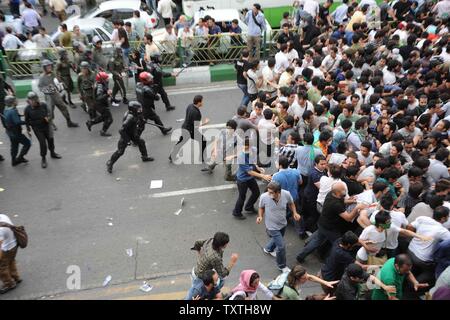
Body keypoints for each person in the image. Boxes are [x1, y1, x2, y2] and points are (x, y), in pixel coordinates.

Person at [296, 182, 368, 263]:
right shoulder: (336, 204)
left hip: (323, 223)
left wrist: (349, 201)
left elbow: (342, 201)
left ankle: (300, 256)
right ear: (337, 193)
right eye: (343, 190)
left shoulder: (331, 194)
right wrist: (357, 208)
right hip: (330, 228)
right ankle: (330, 262)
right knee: (339, 244)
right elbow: (348, 218)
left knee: (317, 241)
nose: (345, 191)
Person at [257, 181, 301, 272]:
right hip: (271, 226)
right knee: (281, 246)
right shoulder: (264, 197)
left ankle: (268, 249)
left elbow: (291, 203)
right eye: (268, 192)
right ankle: (281, 266)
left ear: (278, 192)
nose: (269, 194)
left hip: (282, 223)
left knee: (278, 238)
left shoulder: (286, 194)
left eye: (271, 193)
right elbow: (261, 207)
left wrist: (295, 213)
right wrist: (260, 216)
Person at [106, 101, 154, 173]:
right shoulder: (129, 118)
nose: (140, 110)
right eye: (138, 109)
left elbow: (139, 117)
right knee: (120, 152)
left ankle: (144, 157)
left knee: (141, 142)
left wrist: (142, 120)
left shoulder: (135, 113)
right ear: (133, 109)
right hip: (126, 135)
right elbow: (121, 130)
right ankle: (110, 163)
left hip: (132, 133)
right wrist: (127, 140)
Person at [233, 137, 271, 219]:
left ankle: (249, 207)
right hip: (242, 179)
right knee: (242, 197)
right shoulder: (241, 156)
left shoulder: (253, 149)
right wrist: (263, 176)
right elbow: (249, 171)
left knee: (256, 192)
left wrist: (258, 168)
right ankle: (236, 212)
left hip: (249, 178)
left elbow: (253, 160)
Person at [24, 91, 62, 169]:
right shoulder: (27, 109)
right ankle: (43, 158)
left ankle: (52, 153)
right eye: (30, 100)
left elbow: (50, 114)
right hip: (37, 129)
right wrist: (28, 129)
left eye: (34, 100)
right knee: (42, 143)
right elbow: (26, 120)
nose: (32, 102)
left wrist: (48, 118)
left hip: (46, 126)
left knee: (51, 140)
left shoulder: (43, 105)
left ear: (37, 99)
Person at [37, 60, 79, 129]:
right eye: (47, 66)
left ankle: (69, 122)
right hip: (49, 96)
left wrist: (62, 85)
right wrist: (47, 89)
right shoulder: (42, 77)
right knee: (50, 111)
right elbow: (40, 87)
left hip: (56, 94)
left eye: (50, 66)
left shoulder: (54, 74)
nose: (49, 67)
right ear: (44, 68)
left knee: (64, 108)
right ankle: (51, 124)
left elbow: (59, 81)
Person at [169, 95, 208, 164]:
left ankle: (172, 156)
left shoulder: (190, 106)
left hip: (184, 127)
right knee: (203, 140)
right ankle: (201, 158)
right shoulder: (197, 113)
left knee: (181, 142)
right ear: (199, 102)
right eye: (202, 101)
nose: (203, 102)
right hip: (190, 131)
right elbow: (196, 126)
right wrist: (205, 123)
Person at [135, 71, 172, 136]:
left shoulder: (138, 85)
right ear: (144, 80)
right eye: (148, 78)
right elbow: (157, 98)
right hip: (145, 108)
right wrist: (155, 89)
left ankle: (163, 130)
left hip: (141, 105)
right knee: (141, 125)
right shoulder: (147, 90)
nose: (151, 79)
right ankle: (135, 139)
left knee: (156, 118)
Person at [2, 96, 31, 166]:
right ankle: (20, 158)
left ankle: (13, 160)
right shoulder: (13, 111)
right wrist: (27, 122)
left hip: (10, 132)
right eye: (15, 100)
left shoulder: (6, 109)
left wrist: (20, 115)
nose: (17, 101)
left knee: (14, 146)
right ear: (12, 102)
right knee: (27, 143)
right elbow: (17, 122)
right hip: (16, 133)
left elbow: (11, 117)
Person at [86, 71, 113, 137]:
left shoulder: (99, 83)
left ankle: (90, 122)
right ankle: (103, 131)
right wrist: (107, 94)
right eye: (106, 78)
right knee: (109, 119)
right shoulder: (99, 86)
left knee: (104, 117)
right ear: (102, 80)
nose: (108, 79)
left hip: (99, 104)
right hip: (100, 104)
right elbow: (99, 98)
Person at [0, 213, 21, 294]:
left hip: (6, 249)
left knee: (2, 267)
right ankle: (15, 277)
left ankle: (9, 284)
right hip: (14, 244)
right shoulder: (3, 216)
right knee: (11, 261)